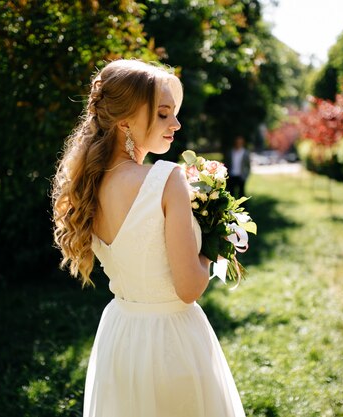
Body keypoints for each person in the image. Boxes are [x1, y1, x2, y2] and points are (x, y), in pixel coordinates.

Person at [51, 59, 245, 417]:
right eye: (162, 114)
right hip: (171, 342)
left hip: (121, 336)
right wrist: (217, 242)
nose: (176, 123)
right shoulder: (167, 179)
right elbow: (188, 288)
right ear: (125, 120)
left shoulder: (88, 185)